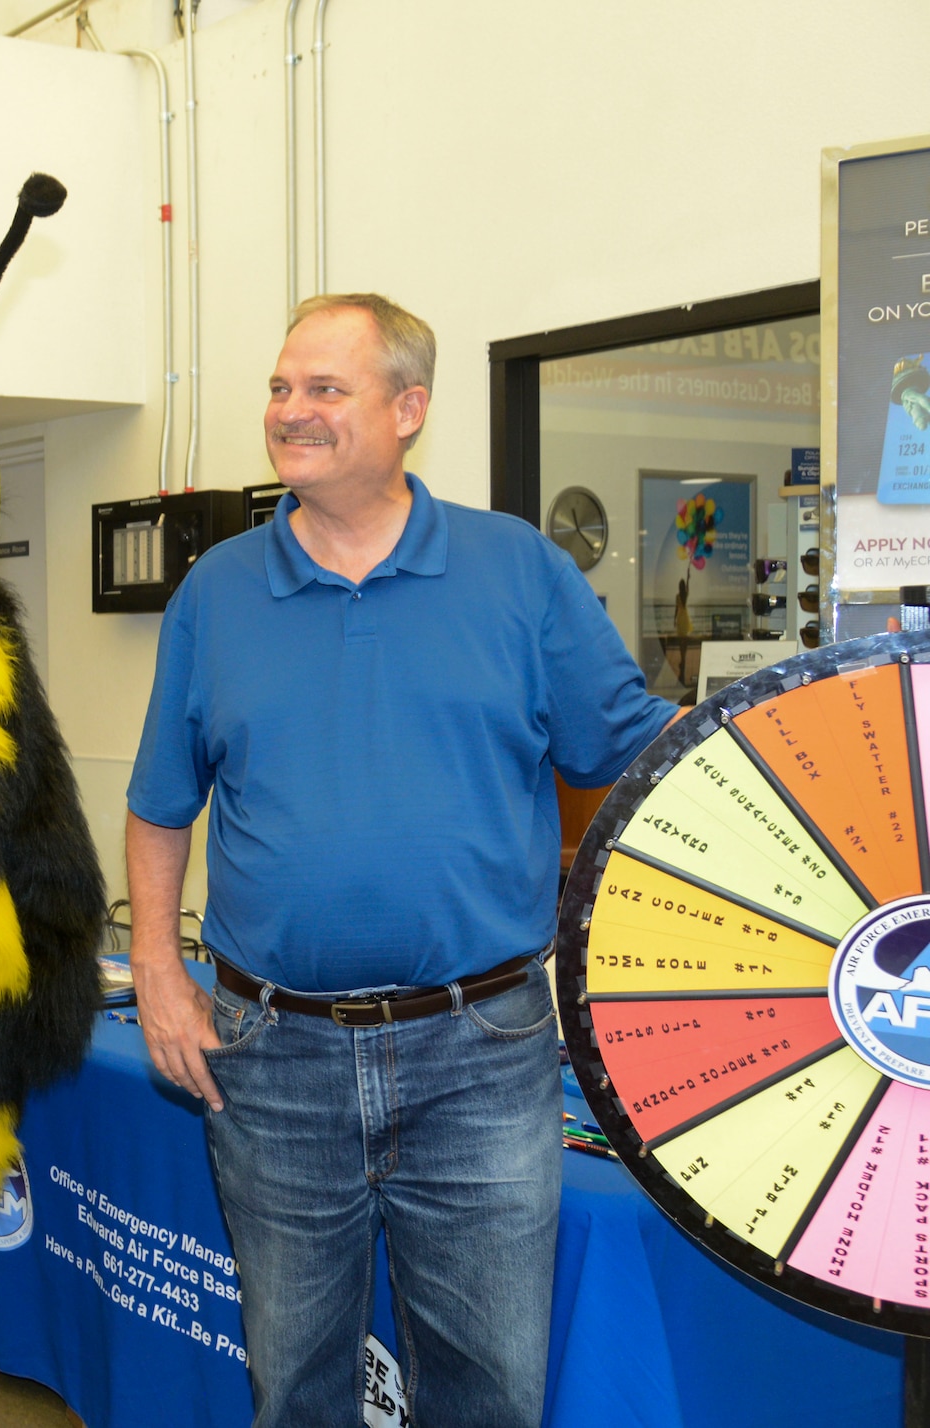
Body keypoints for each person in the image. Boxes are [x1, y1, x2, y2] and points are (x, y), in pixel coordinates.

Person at [125, 293, 676, 1428]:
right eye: (280, 388)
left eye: (323, 388)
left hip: (480, 1054)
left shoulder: (516, 573)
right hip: (269, 1056)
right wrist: (155, 975)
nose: (290, 412)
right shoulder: (215, 593)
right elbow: (156, 807)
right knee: (296, 1384)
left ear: (407, 408)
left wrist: (813, 740)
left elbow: (632, 749)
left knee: (485, 1390)